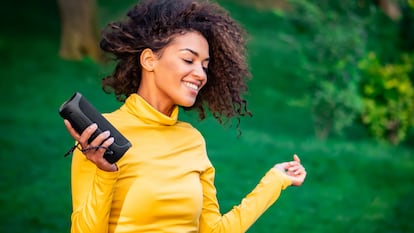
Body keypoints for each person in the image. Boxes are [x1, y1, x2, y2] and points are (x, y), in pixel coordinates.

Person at [62, 0, 307, 232]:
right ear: (149, 60)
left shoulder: (192, 141)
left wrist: (275, 180)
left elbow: (213, 231)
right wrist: (105, 173)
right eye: (188, 59)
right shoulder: (100, 137)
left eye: (205, 66)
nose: (200, 74)